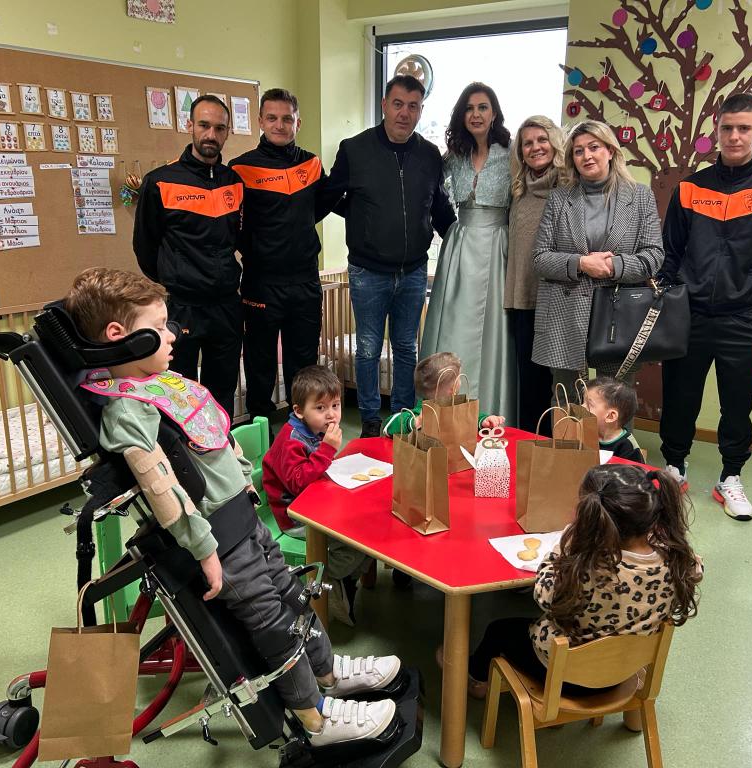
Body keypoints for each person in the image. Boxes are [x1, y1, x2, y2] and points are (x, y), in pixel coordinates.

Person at [64, 267, 401, 746]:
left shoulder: (160, 386)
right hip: (221, 541)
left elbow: (215, 442)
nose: (172, 334)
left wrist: (245, 484)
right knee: (274, 624)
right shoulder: (126, 410)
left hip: (244, 520)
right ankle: (316, 720)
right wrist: (204, 551)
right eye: (158, 327)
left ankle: (327, 672)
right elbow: (163, 491)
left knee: (293, 597)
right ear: (120, 336)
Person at [657, 93, 752, 522]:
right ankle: (674, 468)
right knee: (679, 398)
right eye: (727, 128)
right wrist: (669, 300)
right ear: (716, 131)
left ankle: (730, 476)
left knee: (737, 406)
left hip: (746, 319)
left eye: (744, 128)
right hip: (690, 316)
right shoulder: (690, 187)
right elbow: (670, 252)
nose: (735, 136)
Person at [461, 463, 702, 698]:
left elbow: (544, 597)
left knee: (499, 629)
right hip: (626, 670)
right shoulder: (678, 559)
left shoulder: (590, 569)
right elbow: (697, 570)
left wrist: (562, 548)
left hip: (566, 677)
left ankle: (477, 681)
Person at [318, 74, 456, 439]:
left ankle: (402, 417)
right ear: (384, 105)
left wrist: (461, 240)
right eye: (397, 104)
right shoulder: (354, 149)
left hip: (413, 271)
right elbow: (329, 197)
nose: (404, 113)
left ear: (420, 110)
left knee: (407, 347)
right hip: (368, 271)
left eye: (413, 106)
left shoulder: (429, 155)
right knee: (367, 348)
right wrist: (362, 216)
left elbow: (439, 207)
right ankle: (369, 421)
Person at [532, 120, 664, 399]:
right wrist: (581, 263)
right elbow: (540, 258)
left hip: (620, 315)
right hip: (565, 315)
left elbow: (654, 255)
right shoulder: (559, 199)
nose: (587, 156)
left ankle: (614, 434)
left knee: (616, 403)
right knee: (566, 403)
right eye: (578, 151)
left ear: (610, 151)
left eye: (594, 147)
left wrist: (613, 266)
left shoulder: (640, 196)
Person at [133, 95, 244, 416]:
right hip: (182, 306)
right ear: (189, 126)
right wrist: (175, 276)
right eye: (204, 125)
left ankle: (220, 442)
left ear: (227, 132)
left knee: (222, 388)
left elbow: (236, 237)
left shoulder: (234, 182)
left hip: (226, 305)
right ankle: (184, 446)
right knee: (179, 390)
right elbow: (144, 245)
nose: (211, 135)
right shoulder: (160, 181)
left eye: (219, 128)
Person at [228, 89, 328, 428]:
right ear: (260, 121)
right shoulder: (240, 168)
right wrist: (258, 250)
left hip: (305, 280)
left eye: (287, 118)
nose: (279, 125)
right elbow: (233, 225)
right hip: (261, 282)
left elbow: (319, 207)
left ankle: (304, 431)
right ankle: (261, 430)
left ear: (298, 123)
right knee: (260, 363)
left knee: (304, 363)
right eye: (272, 118)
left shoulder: (312, 164)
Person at [420, 83, 515, 422]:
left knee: (494, 330)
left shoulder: (512, 154)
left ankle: (490, 412)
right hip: (460, 247)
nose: (476, 114)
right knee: (453, 326)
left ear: (494, 113)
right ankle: (442, 412)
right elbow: (427, 191)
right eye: (469, 108)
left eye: (483, 107)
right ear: (461, 115)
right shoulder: (454, 157)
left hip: (498, 246)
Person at [261, 365, 371, 627]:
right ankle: (327, 576)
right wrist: (327, 450)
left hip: (315, 503)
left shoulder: (312, 429)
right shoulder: (291, 440)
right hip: (295, 517)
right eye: (320, 408)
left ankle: (347, 579)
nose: (331, 414)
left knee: (368, 528)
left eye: (335, 405)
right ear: (299, 411)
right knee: (357, 540)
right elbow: (298, 483)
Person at [505, 116, 571, 436]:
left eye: (542, 140)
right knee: (529, 382)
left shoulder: (570, 186)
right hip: (524, 298)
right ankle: (530, 445)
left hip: (560, 298)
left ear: (554, 142)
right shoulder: (518, 191)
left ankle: (562, 447)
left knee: (562, 384)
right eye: (527, 143)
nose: (535, 148)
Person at [382, 351, 505, 436]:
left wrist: (483, 421)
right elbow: (388, 425)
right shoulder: (423, 411)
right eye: (459, 378)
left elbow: (471, 418)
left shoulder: (457, 407)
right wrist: (416, 422)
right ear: (453, 389)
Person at [584, 377, 643, 463]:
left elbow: (634, 471)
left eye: (589, 404)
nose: (582, 407)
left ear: (611, 416)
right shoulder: (588, 433)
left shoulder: (628, 447)